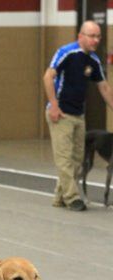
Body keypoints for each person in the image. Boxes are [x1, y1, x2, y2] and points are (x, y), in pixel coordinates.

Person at [44, 20, 113, 211]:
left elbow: (104, 87)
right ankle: (73, 198)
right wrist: (54, 106)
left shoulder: (94, 61)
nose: (96, 40)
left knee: (76, 159)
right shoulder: (67, 52)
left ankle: (60, 197)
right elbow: (48, 77)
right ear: (80, 36)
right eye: (92, 36)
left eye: (98, 36)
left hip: (78, 115)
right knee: (64, 158)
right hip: (60, 113)